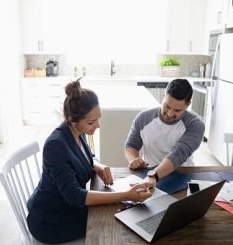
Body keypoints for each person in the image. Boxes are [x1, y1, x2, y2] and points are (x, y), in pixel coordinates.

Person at [26, 78, 152, 244]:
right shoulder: (55, 145)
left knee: (116, 211)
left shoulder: (78, 132)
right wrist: (125, 195)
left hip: (67, 208)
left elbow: (87, 156)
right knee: (113, 219)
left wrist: (97, 165)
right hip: (50, 220)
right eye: (92, 122)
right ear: (72, 119)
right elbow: (76, 196)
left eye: (98, 119)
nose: (98, 125)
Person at [124, 79, 205, 188]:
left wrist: (153, 176)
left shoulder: (195, 125)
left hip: (182, 176)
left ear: (187, 105)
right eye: (167, 106)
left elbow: (178, 154)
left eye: (177, 110)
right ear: (163, 96)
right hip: (149, 175)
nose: (170, 114)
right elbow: (131, 146)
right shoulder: (143, 117)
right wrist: (134, 159)